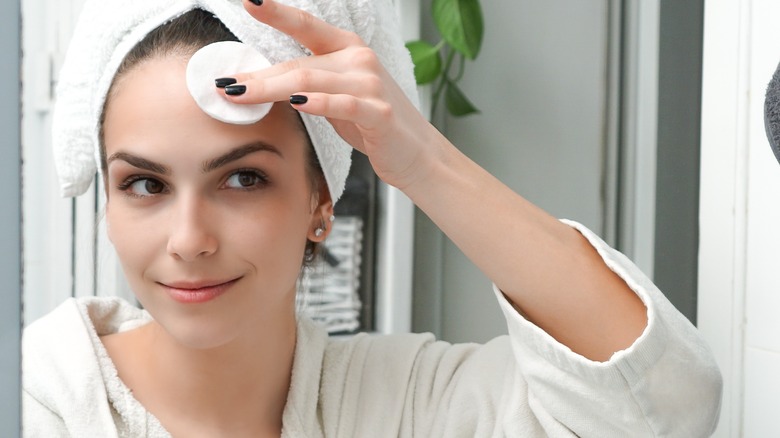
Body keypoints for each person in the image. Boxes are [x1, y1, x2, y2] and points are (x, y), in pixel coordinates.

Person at [22, 0, 722, 436]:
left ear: (320, 202)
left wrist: (422, 159)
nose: (189, 240)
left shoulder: (406, 406)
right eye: (144, 184)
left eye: (243, 178)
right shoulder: (40, 399)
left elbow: (661, 408)